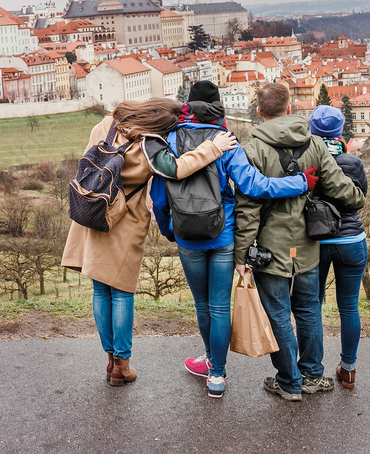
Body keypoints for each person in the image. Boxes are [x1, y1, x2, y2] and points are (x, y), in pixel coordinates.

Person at [151, 80, 320, 399]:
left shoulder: (169, 139)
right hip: (223, 234)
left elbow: (158, 196)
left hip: (188, 236)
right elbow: (254, 186)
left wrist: (169, 230)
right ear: (217, 109)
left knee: (203, 306)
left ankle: (213, 363)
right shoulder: (225, 140)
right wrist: (300, 182)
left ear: (189, 105)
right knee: (219, 306)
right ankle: (216, 376)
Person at [61, 98, 239, 387]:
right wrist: (213, 147)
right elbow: (177, 169)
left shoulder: (107, 124)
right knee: (120, 292)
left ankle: (109, 360)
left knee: (99, 289)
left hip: (94, 210)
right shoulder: (150, 145)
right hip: (125, 221)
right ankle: (122, 364)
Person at [234, 84, 366, 402]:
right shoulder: (315, 143)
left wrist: (241, 254)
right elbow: (338, 186)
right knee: (308, 310)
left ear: (260, 113)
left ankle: (289, 382)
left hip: (270, 248)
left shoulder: (252, 150)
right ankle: (311, 375)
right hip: (307, 245)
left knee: (278, 313)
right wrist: (357, 198)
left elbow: (248, 209)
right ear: (289, 108)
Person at [309, 104, 369, 391]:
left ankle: (312, 369)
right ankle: (348, 370)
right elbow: (360, 196)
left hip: (316, 242)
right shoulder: (351, 162)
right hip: (351, 240)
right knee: (349, 307)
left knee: (312, 306)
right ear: (339, 131)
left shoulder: (308, 159)